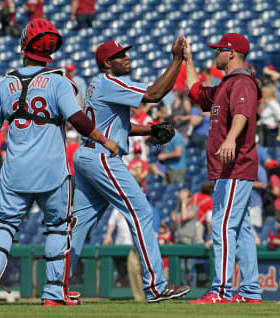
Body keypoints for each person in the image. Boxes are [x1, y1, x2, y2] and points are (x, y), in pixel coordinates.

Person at [0, 18, 119, 307]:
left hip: (15, 172)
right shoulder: (60, 81)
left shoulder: (5, 83)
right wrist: (103, 139)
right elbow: (77, 120)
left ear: (24, 47)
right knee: (58, 228)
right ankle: (53, 293)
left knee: (3, 227)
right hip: (53, 171)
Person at [70, 38, 191, 303]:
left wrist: (148, 130)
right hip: (102, 157)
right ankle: (156, 286)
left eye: (125, 53)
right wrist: (177, 59)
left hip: (87, 153)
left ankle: (56, 287)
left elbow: (113, 124)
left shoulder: (97, 84)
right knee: (141, 213)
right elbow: (154, 95)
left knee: (79, 224)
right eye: (119, 55)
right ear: (106, 63)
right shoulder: (111, 82)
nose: (126, 57)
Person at [184, 33, 263, 304]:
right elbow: (195, 91)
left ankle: (221, 289)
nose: (215, 53)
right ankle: (251, 289)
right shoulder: (224, 85)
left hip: (235, 166)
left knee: (222, 225)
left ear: (231, 53)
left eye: (219, 49)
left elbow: (242, 113)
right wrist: (188, 60)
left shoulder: (241, 81)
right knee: (239, 229)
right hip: (227, 168)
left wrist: (231, 137)